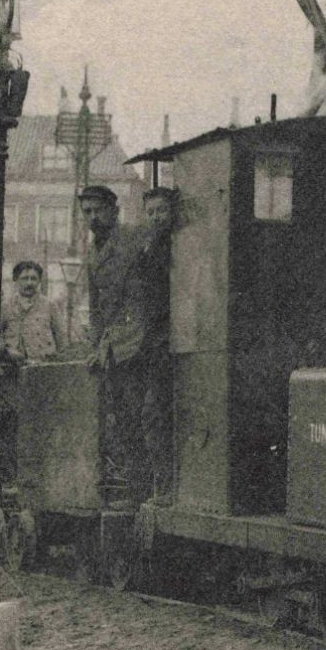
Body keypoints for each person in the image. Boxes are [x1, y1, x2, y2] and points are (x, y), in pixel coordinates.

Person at [77, 184, 146, 507]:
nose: (92, 217)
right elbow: (96, 307)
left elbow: (142, 300)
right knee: (122, 420)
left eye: (98, 210)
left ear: (114, 210)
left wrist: (115, 341)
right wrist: (96, 345)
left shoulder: (133, 239)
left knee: (141, 416)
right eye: (87, 212)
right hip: (113, 349)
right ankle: (132, 489)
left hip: (138, 345)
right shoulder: (94, 252)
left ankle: (143, 490)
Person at [134, 186, 178, 503]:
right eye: (150, 212)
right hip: (154, 342)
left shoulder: (177, 247)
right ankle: (161, 483)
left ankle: (166, 486)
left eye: (161, 210)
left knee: (156, 413)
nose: (155, 217)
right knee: (153, 413)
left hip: (169, 340)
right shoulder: (147, 247)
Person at [1, 260, 68, 363]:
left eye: (33, 279)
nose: (29, 283)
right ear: (16, 280)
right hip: (14, 368)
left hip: (43, 368)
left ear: (39, 281)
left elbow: (62, 339)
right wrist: (7, 351)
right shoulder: (6, 307)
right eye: (24, 279)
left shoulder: (50, 306)